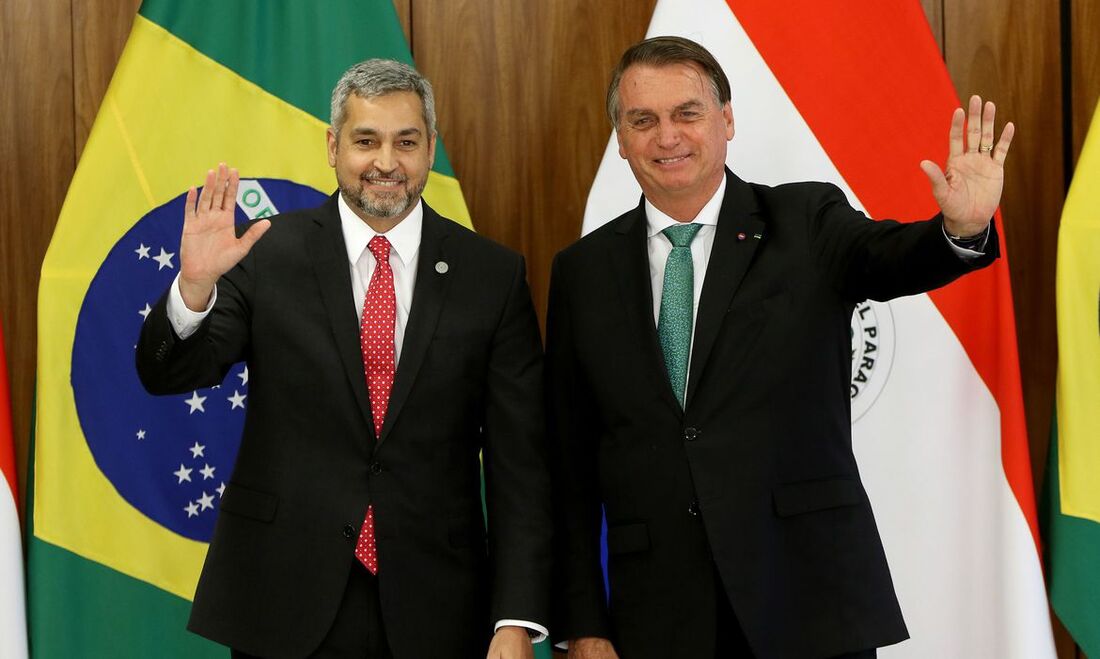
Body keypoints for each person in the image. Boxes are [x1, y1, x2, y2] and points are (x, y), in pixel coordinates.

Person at [546, 36, 1013, 659]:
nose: (667, 136)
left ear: (726, 119)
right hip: (656, 617)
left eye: (686, 112)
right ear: (621, 138)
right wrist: (585, 623)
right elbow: (570, 462)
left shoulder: (805, 219)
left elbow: (891, 259)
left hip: (805, 597)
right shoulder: (582, 271)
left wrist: (960, 229)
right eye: (643, 120)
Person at [137, 59, 551, 659]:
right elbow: (168, 372)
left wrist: (514, 618)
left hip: (439, 607)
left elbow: (521, 466)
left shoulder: (492, 275)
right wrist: (195, 288)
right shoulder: (267, 253)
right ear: (332, 147)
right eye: (366, 141)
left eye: (406, 141)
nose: (386, 162)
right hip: (285, 600)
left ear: (430, 148)